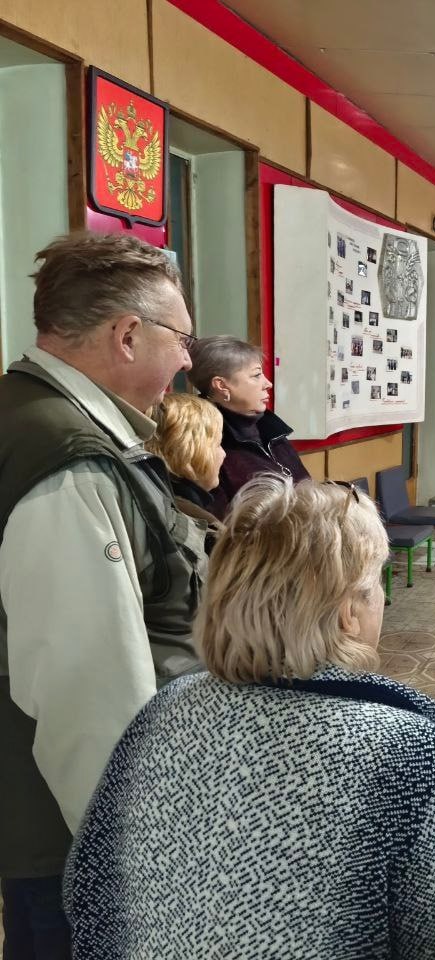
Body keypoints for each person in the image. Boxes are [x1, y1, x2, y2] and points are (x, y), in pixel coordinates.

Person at [64, 478, 435, 959]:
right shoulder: (406, 756)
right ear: (347, 611)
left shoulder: (160, 714)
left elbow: (87, 893)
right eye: (377, 582)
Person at [0, 232, 203, 958]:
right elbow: (88, 693)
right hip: (71, 837)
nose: (188, 359)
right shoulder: (68, 461)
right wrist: (132, 862)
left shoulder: (30, 412)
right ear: (127, 335)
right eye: (181, 338)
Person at [187, 335, 309, 517]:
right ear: (221, 386)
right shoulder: (208, 445)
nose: (268, 384)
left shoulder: (271, 430)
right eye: (256, 375)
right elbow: (222, 524)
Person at [146, 391, 226, 532]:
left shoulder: (155, 499)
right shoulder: (195, 524)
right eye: (218, 444)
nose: (224, 454)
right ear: (188, 451)